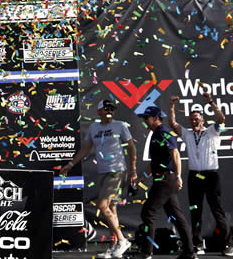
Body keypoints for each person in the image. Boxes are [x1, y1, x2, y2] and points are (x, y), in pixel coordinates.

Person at [60, 99, 136, 258]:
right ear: (99, 111)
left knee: (102, 205)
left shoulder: (120, 125)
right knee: (112, 209)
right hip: (103, 172)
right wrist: (70, 164)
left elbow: (131, 146)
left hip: (116, 171)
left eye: (111, 109)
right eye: (106, 108)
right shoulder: (94, 127)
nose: (109, 111)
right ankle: (113, 247)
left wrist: (133, 170)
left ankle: (122, 240)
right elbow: (86, 149)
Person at [169, 93, 233, 256]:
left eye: (196, 119)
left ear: (203, 119)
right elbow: (172, 124)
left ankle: (228, 245)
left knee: (217, 210)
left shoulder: (212, 131)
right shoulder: (188, 134)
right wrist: (171, 106)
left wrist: (211, 102)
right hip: (195, 177)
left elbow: (222, 118)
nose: (194, 121)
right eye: (191, 119)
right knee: (195, 210)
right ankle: (198, 243)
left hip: (210, 175)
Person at [136, 106, 196, 259]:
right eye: (143, 118)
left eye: (146, 118)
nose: (144, 121)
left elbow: (175, 153)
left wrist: (178, 175)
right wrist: (143, 177)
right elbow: (155, 161)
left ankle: (146, 252)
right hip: (161, 178)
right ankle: (190, 251)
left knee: (148, 212)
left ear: (156, 118)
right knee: (176, 215)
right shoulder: (156, 134)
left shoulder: (163, 132)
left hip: (165, 179)